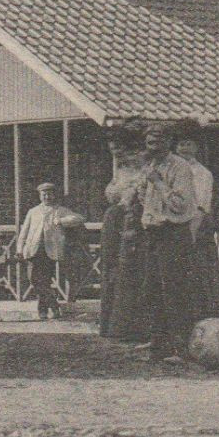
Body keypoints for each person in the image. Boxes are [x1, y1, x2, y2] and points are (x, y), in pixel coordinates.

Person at [138, 122, 200, 362]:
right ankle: (159, 345)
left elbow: (181, 204)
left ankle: (181, 348)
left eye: (157, 142)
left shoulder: (180, 167)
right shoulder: (151, 166)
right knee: (152, 290)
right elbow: (147, 200)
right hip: (153, 233)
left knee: (175, 291)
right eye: (149, 142)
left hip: (174, 233)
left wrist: (158, 182)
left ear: (168, 142)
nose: (152, 147)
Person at [99, 126, 150, 340]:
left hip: (135, 222)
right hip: (116, 223)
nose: (118, 155)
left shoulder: (146, 169)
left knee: (133, 271)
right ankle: (114, 325)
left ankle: (135, 327)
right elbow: (111, 195)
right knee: (112, 269)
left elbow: (135, 197)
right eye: (113, 151)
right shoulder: (121, 170)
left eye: (121, 150)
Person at [175, 126, 219, 319]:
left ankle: (203, 314)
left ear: (196, 147)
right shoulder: (170, 169)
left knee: (199, 271)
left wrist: (192, 232)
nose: (184, 148)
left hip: (195, 225)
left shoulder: (202, 173)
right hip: (175, 224)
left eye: (188, 144)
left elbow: (201, 205)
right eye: (181, 144)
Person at [16, 181, 84, 320]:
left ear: (54, 195)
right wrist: (20, 248)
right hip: (33, 249)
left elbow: (79, 218)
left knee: (44, 281)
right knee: (34, 279)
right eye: (44, 194)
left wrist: (62, 221)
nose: (47, 197)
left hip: (50, 250)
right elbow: (24, 231)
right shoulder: (33, 211)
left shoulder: (60, 210)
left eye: (49, 194)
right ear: (40, 195)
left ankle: (42, 311)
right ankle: (54, 305)